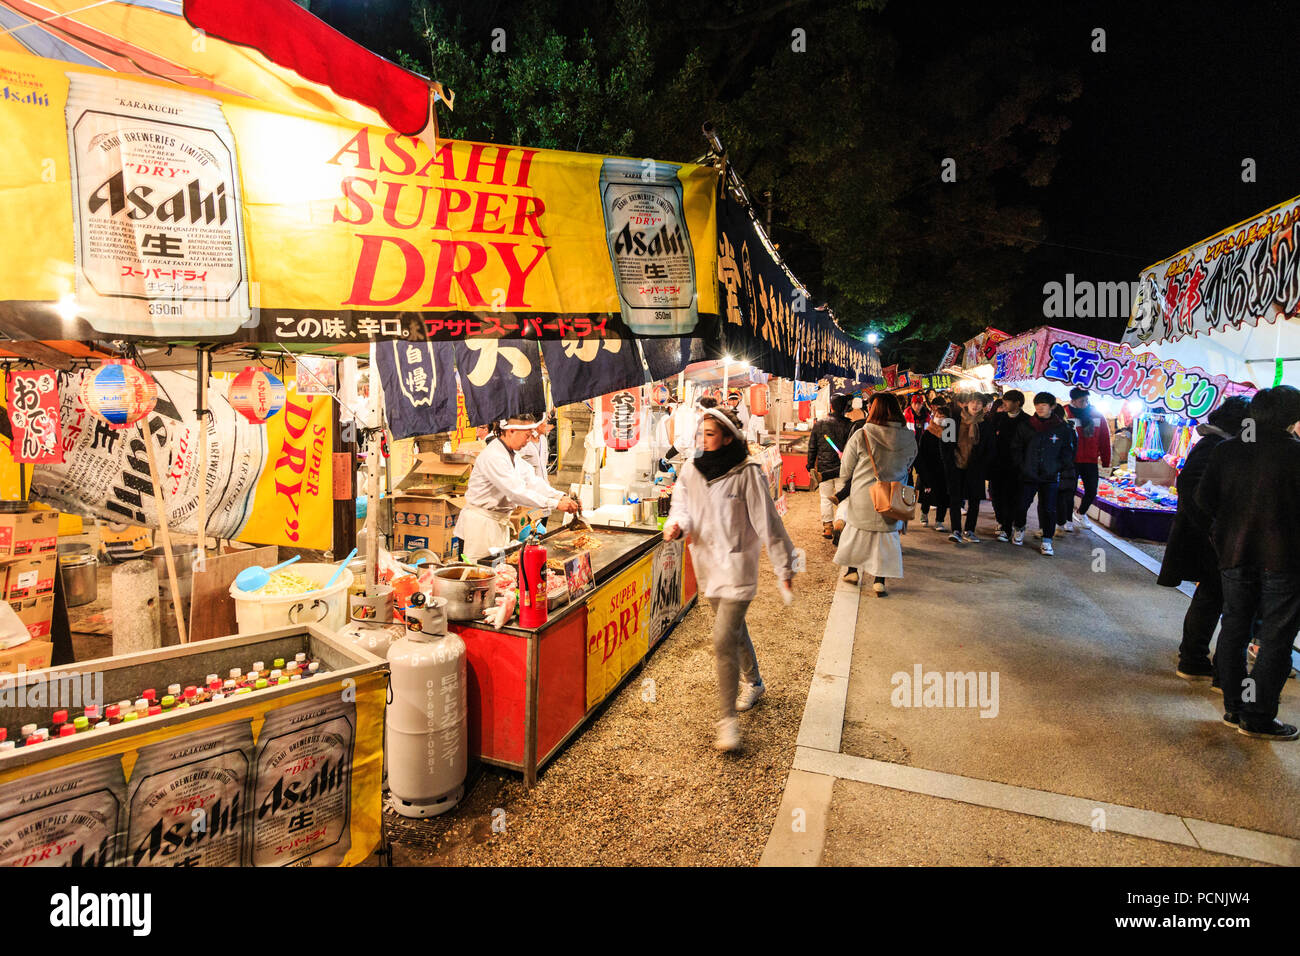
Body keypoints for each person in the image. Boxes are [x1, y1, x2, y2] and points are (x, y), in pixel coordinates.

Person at [664, 406, 796, 752]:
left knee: (722, 638)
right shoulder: (693, 469)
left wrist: (785, 566)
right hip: (706, 564)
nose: (703, 441)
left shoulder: (747, 471)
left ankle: (727, 721)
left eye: (710, 435)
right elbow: (682, 504)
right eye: (701, 434)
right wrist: (678, 524)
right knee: (734, 629)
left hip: (738, 568)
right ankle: (754, 681)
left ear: (727, 437)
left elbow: (768, 522)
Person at [1196, 386, 1300, 740]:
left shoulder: (1228, 450)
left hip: (1234, 553)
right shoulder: (1295, 454)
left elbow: (1203, 498)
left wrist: (1226, 528)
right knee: (1275, 637)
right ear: (1292, 417)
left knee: (1235, 625)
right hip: (1284, 558)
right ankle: (1256, 717)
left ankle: (1235, 706)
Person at [1157, 397, 1250, 683]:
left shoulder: (1214, 444)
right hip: (1207, 538)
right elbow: (1192, 490)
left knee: (1210, 596)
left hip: (1207, 535)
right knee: (1212, 596)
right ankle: (1193, 659)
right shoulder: (1214, 447)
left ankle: (1193, 657)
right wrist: (1213, 529)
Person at [453, 414, 581, 561]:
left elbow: (532, 481)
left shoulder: (512, 455)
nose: (528, 440)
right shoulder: (494, 456)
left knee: (497, 573)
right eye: (526, 435)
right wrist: (555, 504)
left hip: (496, 523)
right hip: (480, 526)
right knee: (477, 575)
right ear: (511, 431)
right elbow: (516, 492)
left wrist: (561, 496)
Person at [831, 392, 918, 596]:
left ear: (873, 409)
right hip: (892, 497)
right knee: (886, 540)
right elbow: (910, 461)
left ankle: (853, 571)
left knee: (856, 534)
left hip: (863, 496)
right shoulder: (908, 436)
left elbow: (845, 470)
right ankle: (880, 581)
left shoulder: (862, 434)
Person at [1010, 392, 1076, 555]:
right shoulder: (1026, 425)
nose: (1040, 407)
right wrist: (1022, 466)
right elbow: (1016, 447)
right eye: (1037, 404)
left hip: (1050, 475)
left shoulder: (1061, 428)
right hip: (1028, 473)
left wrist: (1058, 467)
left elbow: (1068, 451)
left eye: (1044, 404)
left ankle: (1047, 540)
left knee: (1049, 509)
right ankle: (1019, 528)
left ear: (1052, 407)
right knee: (1021, 505)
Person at [939, 391, 994, 544]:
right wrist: (949, 464)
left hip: (975, 468)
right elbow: (944, 445)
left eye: (978, 403)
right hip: (956, 466)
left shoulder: (986, 424)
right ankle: (956, 530)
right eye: (972, 402)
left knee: (974, 500)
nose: (975, 405)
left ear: (983, 406)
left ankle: (969, 530)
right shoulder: (952, 421)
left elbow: (990, 448)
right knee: (955, 499)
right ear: (966, 404)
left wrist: (983, 465)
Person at [807, 394, 854, 539]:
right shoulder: (850, 425)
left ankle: (827, 527)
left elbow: (812, 447)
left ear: (831, 406)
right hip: (843, 468)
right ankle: (840, 521)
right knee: (843, 498)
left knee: (825, 497)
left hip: (824, 467)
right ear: (845, 407)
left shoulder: (819, 424)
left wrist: (810, 465)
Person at [1064, 387, 1111, 530]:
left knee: (1091, 491)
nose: (1085, 403)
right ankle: (1067, 519)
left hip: (1090, 460)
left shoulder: (1096, 414)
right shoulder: (1065, 413)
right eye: (1081, 400)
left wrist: (1105, 459)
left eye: (1087, 400)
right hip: (1070, 460)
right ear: (1073, 400)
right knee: (1069, 491)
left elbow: (1104, 438)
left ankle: (1081, 512)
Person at [989, 389, 1026, 542]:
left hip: (1016, 467)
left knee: (1012, 498)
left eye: (1008, 400)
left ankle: (1009, 528)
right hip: (997, 464)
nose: (1004, 403)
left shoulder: (1026, 421)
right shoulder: (998, 418)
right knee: (996, 495)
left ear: (1017, 403)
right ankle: (1002, 522)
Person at [915, 398, 949, 531]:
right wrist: (922, 470)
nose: (940, 418)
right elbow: (922, 452)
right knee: (927, 494)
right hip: (929, 468)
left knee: (943, 496)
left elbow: (951, 449)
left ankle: (939, 520)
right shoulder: (928, 432)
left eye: (943, 416)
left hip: (944, 469)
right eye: (938, 416)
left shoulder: (949, 432)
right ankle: (924, 513)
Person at [1052, 404, 1078, 536]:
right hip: (1065, 468)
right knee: (1062, 497)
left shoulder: (1067, 430)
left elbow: (1071, 451)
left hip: (1062, 469)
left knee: (1059, 497)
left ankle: (1061, 523)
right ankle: (1061, 524)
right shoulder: (1070, 429)